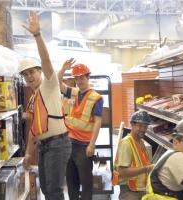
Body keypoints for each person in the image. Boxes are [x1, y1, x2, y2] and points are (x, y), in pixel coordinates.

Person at [19, 12, 71, 200]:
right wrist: (27, 153)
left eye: (32, 72)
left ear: (40, 72)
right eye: (25, 75)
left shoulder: (49, 85)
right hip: (45, 146)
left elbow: (47, 60)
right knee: (47, 190)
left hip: (58, 144)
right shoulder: (33, 99)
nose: (29, 77)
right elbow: (33, 129)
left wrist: (37, 35)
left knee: (54, 192)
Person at [58, 59, 104, 200]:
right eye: (77, 78)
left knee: (86, 183)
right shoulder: (74, 92)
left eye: (82, 77)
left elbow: (98, 122)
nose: (79, 81)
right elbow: (57, 83)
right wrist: (63, 69)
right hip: (69, 143)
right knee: (71, 183)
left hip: (84, 146)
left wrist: (92, 144)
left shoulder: (96, 98)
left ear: (88, 77)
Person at [113, 110, 155, 200]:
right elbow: (122, 172)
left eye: (145, 126)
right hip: (129, 191)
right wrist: (147, 168)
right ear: (132, 124)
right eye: (139, 126)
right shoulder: (126, 143)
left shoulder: (140, 142)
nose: (143, 129)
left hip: (140, 189)